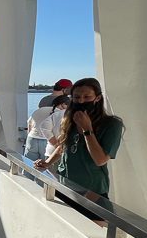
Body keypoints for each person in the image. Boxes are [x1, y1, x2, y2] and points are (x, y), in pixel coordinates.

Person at [35, 78, 125, 208]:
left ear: (98, 98)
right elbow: (63, 146)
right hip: (64, 183)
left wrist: (87, 130)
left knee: (91, 225)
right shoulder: (70, 119)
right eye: (77, 97)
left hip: (92, 189)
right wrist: (48, 162)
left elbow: (100, 160)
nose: (81, 101)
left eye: (87, 96)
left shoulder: (112, 124)